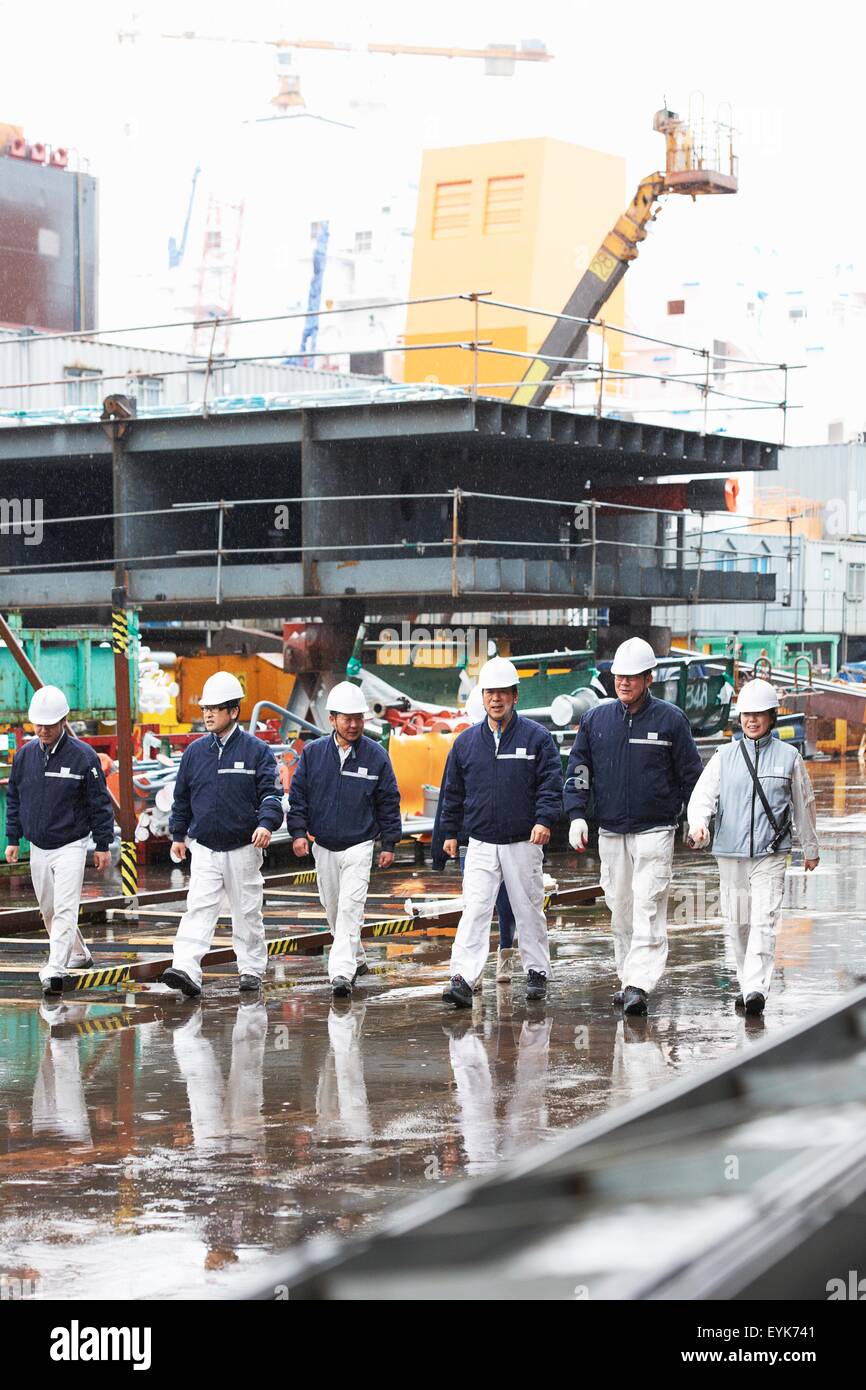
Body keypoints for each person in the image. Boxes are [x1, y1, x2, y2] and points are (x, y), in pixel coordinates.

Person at [564, 637, 703, 1016]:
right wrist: (576, 814)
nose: (623, 683)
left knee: (648, 905)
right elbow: (579, 770)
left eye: (632, 677)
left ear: (648, 678)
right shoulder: (595, 721)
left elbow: (692, 777)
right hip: (611, 831)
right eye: (618, 677)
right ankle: (628, 978)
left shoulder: (671, 720)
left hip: (655, 830)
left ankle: (639, 984)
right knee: (621, 907)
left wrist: (698, 818)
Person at [687, 677, 819, 1016]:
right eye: (747, 714)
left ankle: (756, 990)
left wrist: (810, 848)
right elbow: (703, 797)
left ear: (772, 717)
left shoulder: (788, 757)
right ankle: (747, 983)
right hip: (730, 853)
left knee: (763, 920)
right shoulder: (724, 757)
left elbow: (803, 804)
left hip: (770, 853)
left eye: (759, 714)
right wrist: (699, 823)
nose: (752, 720)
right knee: (739, 923)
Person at [439, 657, 563, 1007]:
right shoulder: (465, 744)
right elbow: (453, 792)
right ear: (482, 698)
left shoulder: (537, 739)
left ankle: (536, 972)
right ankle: (463, 977)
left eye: (503, 693)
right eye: (490, 693)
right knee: (475, 909)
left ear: (515, 696)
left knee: (528, 908)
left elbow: (550, 785)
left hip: (523, 840)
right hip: (480, 842)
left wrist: (544, 820)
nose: (496, 699)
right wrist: (450, 832)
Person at [161, 672, 284, 998]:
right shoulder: (195, 753)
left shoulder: (257, 752)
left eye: (216, 709)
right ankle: (186, 968)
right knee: (199, 908)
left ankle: (251, 969)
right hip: (205, 848)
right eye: (205, 709)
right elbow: (182, 798)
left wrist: (266, 824)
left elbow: (271, 795)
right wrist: (177, 835)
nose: (208, 715)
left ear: (233, 711)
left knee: (246, 911)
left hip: (244, 847)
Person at [287, 681, 402, 999]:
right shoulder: (312, 755)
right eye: (346, 718)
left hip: (360, 845)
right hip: (323, 845)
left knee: (351, 908)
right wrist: (298, 832)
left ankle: (340, 972)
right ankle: (358, 958)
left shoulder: (376, 756)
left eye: (358, 718)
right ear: (332, 719)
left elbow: (389, 801)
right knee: (334, 908)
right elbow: (298, 796)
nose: (353, 725)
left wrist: (389, 843)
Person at [4, 685, 114, 995]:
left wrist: (103, 844)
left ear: (63, 721)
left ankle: (56, 965)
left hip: (71, 845)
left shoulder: (83, 757)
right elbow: (14, 798)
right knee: (49, 909)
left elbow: (99, 803)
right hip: (38, 846)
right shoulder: (25, 756)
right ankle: (78, 954)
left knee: (66, 907)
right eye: (37, 724)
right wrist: (13, 838)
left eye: (49, 724)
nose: (42, 730)